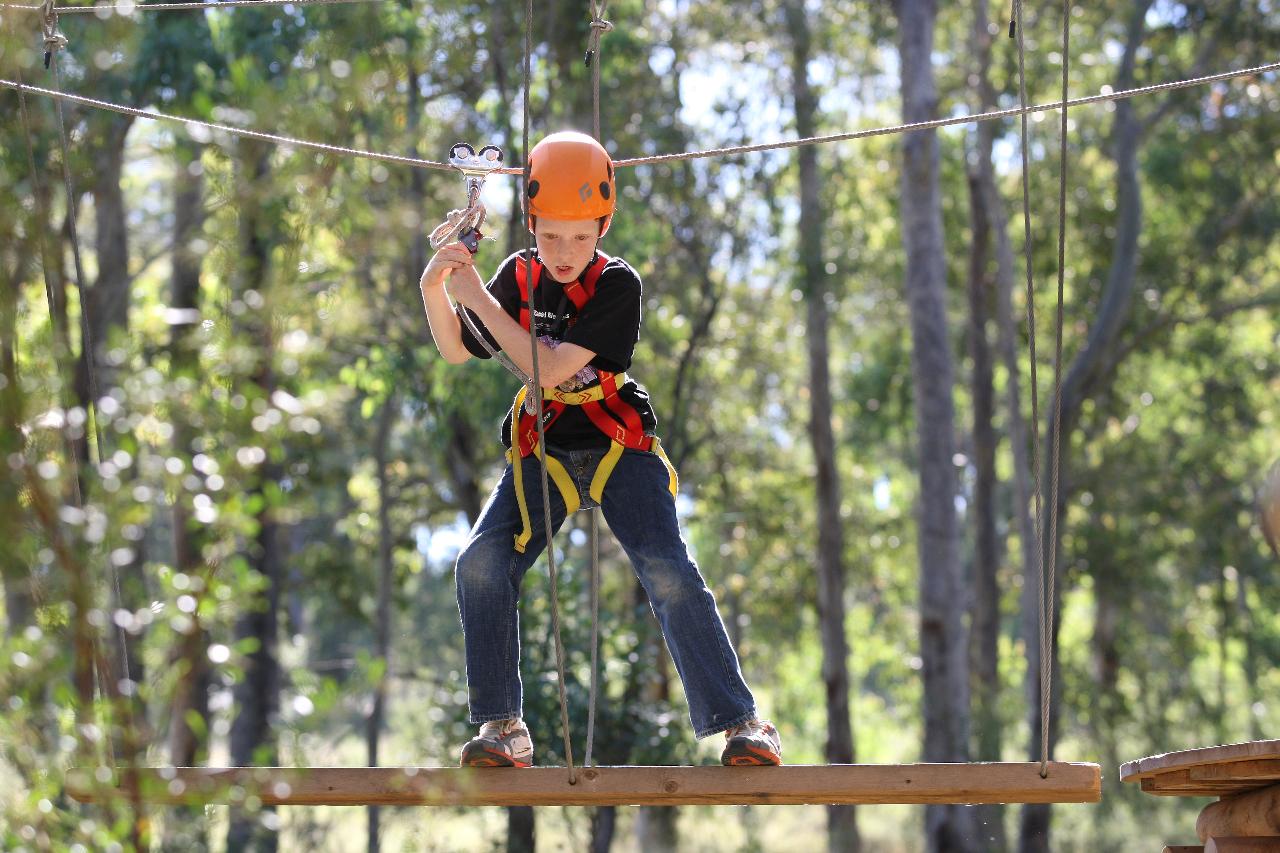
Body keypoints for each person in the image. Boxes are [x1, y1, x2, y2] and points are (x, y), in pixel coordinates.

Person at [418, 131, 781, 768]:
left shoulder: (617, 284)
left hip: (618, 441)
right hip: (546, 444)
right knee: (479, 562)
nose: (564, 251)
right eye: (551, 235)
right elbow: (457, 349)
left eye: (581, 236)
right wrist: (436, 288)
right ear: (530, 223)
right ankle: (503, 727)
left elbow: (552, 368)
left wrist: (474, 296)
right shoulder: (519, 275)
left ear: (603, 227)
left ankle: (743, 723)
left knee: (666, 568)